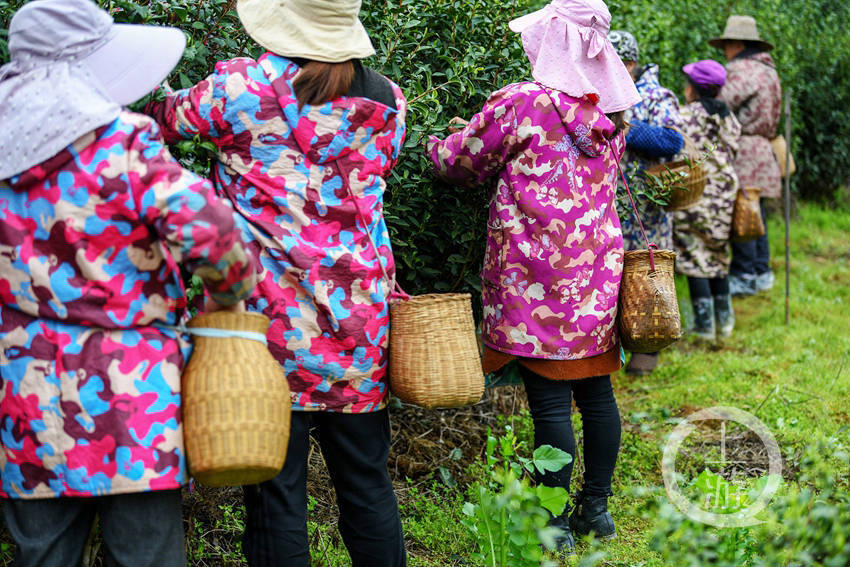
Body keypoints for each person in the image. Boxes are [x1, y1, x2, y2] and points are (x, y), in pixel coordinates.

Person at [144, 0, 408, 565]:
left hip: (268, 331)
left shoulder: (242, 87)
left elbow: (164, 123)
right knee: (367, 485)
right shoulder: (387, 100)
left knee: (275, 495)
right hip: (359, 326)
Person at [0, 1, 257, 566]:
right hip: (129, 389)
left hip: (24, 386)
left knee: (41, 552)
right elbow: (212, 230)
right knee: (147, 552)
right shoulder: (120, 142)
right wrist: (227, 292)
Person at [426, 0, 640, 554]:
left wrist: (439, 140)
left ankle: (554, 521)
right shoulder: (611, 114)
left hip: (536, 274)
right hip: (594, 269)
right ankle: (596, 508)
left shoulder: (523, 101)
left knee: (548, 401)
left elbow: (458, 164)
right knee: (596, 392)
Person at [608, 30, 685, 375]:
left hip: (647, 207)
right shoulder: (604, 93)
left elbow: (673, 140)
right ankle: (616, 347)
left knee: (648, 275)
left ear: (632, 63)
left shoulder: (654, 96)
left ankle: (648, 349)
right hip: (611, 203)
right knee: (616, 275)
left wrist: (629, 128)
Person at [710, 15, 782, 296]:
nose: (725, 51)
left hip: (745, 149)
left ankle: (744, 275)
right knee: (757, 210)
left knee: (742, 210)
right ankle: (762, 271)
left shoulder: (742, 70)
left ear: (737, 44)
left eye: (727, 45)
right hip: (765, 146)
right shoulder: (769, 71)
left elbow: (722, 102)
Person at [673, 60, 742, 339]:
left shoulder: (685, 115)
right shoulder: (728, 117)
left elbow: (675, 147)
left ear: (693, 89)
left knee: (693, 254)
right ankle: (724, 322)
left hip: (696, 190)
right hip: (724, 193)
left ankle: (703, 326)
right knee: (717, 252)